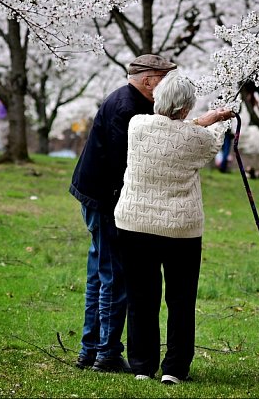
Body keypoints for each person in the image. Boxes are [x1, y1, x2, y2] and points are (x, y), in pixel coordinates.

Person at [113, 74, 234, 385]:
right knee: (180, 300)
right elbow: (203, 140)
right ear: (187, 108)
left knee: (142, 298)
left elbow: (171, 133)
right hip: (181, 230)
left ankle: (142, 365)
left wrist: (202, 120)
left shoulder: (137, 125)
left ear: (157, 100)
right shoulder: (199, 140)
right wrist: (219, 120)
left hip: (135, 225)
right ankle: (175, 369)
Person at [68, 54, 177, 373]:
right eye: (164, 78)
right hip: (104, 201)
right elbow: (124, 166)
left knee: (99, 276)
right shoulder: (127, 108)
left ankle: (90, 351)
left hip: (95, 196)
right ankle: (106, 354)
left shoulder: (129, 100)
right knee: (114, 277)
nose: (167, 84)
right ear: (148, 80)